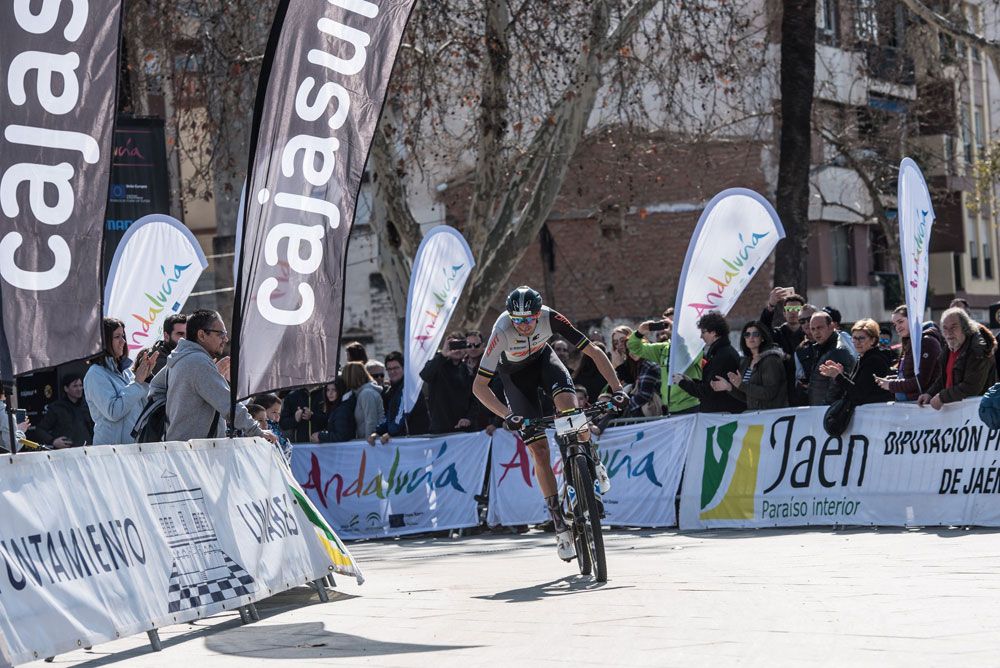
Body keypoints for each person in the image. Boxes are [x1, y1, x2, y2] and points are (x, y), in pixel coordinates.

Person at [472, 286, 626, 562]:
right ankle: (559, 524)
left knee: (569, 406)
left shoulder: (551, 317)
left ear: (537, 314)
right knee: (539, 450)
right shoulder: (501, 331)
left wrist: (617, 388)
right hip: (516, 378)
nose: (523, 325)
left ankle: (591, 458)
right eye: (517, 320)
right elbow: (479, 387)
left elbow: (593, 351)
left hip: (544, 361)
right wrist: (507, 414)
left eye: (528, 319)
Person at [147, 310, 273, 442]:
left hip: (184, 449)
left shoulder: (180, 357)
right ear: (201, 335)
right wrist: (256, 431)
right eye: (221, 334)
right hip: (196, 453)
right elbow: (228, 404)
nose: (226, 339)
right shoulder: (197, 361)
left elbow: (155, 388)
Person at [85, 317, 158, 445]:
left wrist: (146, 378)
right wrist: (137, 383)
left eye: (123, 336)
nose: (123, 341)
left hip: (133, 451)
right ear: (104, 341)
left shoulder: (127, 373)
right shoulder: (95, 374)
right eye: (117, 337)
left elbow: (143, 410)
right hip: (110, 454)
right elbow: (114, 412)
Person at [918, 307, 998, 409]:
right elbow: (943, 378)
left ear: (965, 328)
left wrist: (942, 397)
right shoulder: (950, 347)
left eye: (953, 327)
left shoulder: (977, 349)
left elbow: (972, 387)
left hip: (980, 414)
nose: (949, 332)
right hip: (958, 414)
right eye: (945, 328)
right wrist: (929, 394)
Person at [674, 311, 744, 414]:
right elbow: (709, 383)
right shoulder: (719, 352)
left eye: (703, 332)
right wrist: (691, 381)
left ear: (713, 332)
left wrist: (683, 383)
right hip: (719, 412)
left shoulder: (723, 355)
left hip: (722, 415)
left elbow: (708, 391)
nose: (701, 337)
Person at [627, 320, 700, 415]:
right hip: (669, 408)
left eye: (673, 325)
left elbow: (686, 355)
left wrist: (677, 335)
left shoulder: (694, 347)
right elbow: (635, 348)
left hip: (690, 407)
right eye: (667, 325)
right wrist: (639, 332)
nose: (669, 328)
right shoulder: (664, 348)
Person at [712, 321, 787, 411]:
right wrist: (729, 387)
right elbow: (748, 396)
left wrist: (742, 385)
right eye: (747, 334)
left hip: (772, 416)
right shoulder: (745, 362)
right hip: (755, 416)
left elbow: (769, 393)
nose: (751, 337)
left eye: (755, 334)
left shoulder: (771, 360)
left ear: (762, 338)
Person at [874, 305, 943, 401]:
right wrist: (890, 380)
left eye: (900, 322)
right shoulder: (908, 342)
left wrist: (891, 385)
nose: (897, 327)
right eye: (895, 325)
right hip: (909, 403)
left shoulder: (928, 342)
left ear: (912, 319)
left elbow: (921, 381)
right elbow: (908, 375)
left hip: (921, 404)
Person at [818, 319, 893, 405]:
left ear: (873, 340)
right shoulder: (863, 356)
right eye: (854, 338)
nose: (857, 342)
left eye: (861, 338)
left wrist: (838, 376)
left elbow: (858, 394)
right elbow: (856, 386)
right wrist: (841, 374)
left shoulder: (874, 360)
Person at [420, 332, 475, 434]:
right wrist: (443, 355)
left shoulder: (467, 370)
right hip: (440, 430)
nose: (457, 350)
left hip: (462, 429)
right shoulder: (437, 363)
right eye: (453, 346)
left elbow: (473, 399)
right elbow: (425, 375)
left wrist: (468, 418)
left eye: (461, 345)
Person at [806, 311, 856, 406]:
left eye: (820, 327)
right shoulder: (822, 347)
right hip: (821, 409)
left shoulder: (838, 351)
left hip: (828, 411)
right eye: (813, 329)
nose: (816, 332)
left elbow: (838, 387)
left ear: (831, 326)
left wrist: (826, 409)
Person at [31, 374, 94, 448]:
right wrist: (53, 441)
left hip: (88, 451)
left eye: (80, 385)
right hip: (66, 453)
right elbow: (40, 430)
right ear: (66, 388)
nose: (79, 389)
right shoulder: (57, 408)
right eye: (75, 386)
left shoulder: (88, 405)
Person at [613, 326, 662, 417]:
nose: (620, 345)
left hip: (646, 411)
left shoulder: (648, 364)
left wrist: (623, 406)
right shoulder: (633, 363)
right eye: (615, 343)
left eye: (622, 340)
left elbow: (643, 394)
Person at [136, 313, 187, 377]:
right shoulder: (157, 361)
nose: (186, 338)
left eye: (188, 333)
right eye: (180, 334)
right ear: (166, 336)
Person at [343, 361, 385, 439]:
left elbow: (371, 422)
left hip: (371, 444)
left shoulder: (366, 394)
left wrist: (367, 444)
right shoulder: (361, 393)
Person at [311, 377, 356, 443]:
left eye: (334, 390)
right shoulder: (338, 407)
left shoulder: (342, 410)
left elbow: (341, 436)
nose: (330, 393)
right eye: (328, 390)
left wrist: (320, 436)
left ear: (340, 390)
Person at [256, 393, 292, 462]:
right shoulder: (266, 427)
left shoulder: (275, 427)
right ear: (262, 411)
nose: (278, 416)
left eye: (279, 413)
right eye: (274, 412)